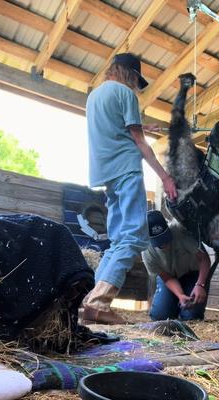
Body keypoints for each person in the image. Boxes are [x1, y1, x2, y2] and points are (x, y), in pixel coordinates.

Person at [82, 53, 177, 324]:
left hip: (106, 173)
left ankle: (92, 301)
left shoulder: (95, 96)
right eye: (136, 78)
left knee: (116, 240)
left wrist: (143, 125)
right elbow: (139, 143)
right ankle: (100, 302)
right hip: (127, 169)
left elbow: (112, 128)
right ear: (128, 73)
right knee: (134, 237)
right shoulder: (126, 94)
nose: (136, 84)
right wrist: (165, 177)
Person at [142, 210, 211, 321]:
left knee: (191, 317)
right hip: (170, 278)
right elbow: (166, 277)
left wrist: (200, 284)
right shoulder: (146, 251)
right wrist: (180, 295)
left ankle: (182, 307)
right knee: (160, 316)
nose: (164, 244)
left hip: (193, 275)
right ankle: (174, 302)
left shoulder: (179, 231)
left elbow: (204, 258)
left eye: (165, 237)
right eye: (158, 241)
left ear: (167, 227)